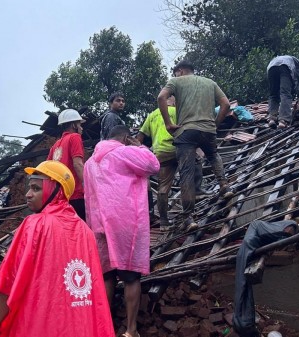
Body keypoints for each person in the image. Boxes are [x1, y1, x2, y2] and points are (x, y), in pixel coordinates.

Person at [0, 161, 114, 337]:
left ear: (56, 190)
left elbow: (8, 284)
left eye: (36, 188)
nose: (28, 194)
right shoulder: (86, 232)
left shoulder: (35, 225)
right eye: (30, 188)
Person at [84, 125, 160, 337]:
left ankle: (104, 327)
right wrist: (141, 147)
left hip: (99, 224)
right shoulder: (125, 152)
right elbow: (154, 165)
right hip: (125, 224)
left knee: (107, 276)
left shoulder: (90, 162)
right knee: (130, 276)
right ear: (126, 138)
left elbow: (88, 195)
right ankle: (131, 330)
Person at [157, 59, 234, 230]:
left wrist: (169, 123)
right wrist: (215, 124)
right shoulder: (210, 82)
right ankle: (224, 185)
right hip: (208, 129)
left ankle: (189, 217)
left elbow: (161, 97)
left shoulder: (175, 81)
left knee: (187, 173)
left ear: (181, 71)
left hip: (187, 131)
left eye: (176, 72)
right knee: (213, 155)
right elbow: (226, 104)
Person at [136, 97, 210, 227]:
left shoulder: (152, 115)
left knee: (163, 188)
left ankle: (164, 222)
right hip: (180, 148)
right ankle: (193, 202)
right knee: (188, 177)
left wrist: (141, 152)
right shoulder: (178, 111)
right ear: (173, 99)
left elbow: (140, 137)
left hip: (161, 152)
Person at [48, 108, 87, 221]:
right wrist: (88, 187)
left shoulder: (55, 145)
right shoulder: (75, 137)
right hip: (75, 195)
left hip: (59, 197)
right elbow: (78, 164)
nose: (81, 127)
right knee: (82, 231)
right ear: (74, 124)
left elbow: (48, 170)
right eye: (80, 124)